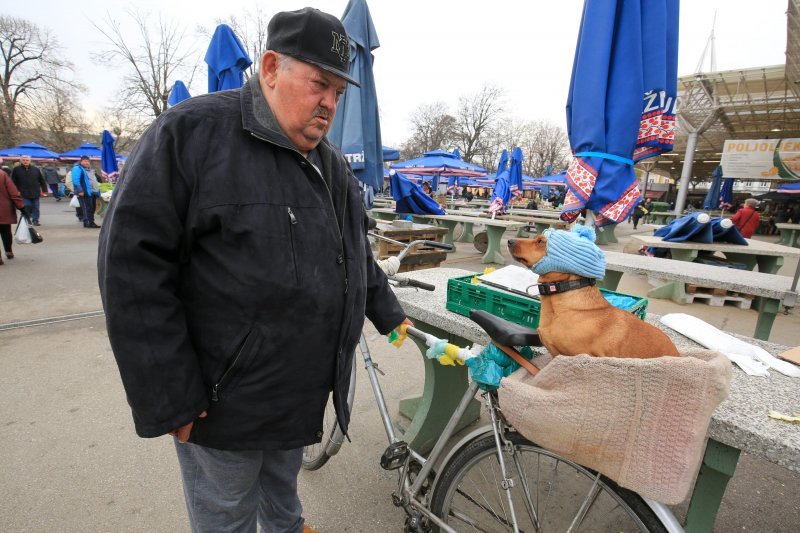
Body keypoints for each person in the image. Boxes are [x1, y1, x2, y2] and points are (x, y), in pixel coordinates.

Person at [98, 7, 409, 533]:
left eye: (339, 92)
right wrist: (169, 396)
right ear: (270, 68)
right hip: (221, 403)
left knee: (283, 503)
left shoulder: (330, 164)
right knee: (227, 518)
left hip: (299, 393)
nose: (330, 103)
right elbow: (131, 269)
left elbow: (354, 254)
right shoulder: (189, 134)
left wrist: (387, 312)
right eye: (319, 84)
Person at [10, 155, 47, 226]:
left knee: (36, 207)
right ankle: (27, 220)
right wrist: (15, 190)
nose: (25, 161)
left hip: (35, 192)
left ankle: (35, 221)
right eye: (23, 160)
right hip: (23, 193)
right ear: (20, 161)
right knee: (27, 206)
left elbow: (41, 180)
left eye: (27, 160)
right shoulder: (16, 169)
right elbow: (12, 181)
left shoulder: (35, 169)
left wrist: (44, 190)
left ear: (30, 161)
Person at [0, 162, 26, 265]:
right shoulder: (2, 174)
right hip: (3, 209)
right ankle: (8, 250)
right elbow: (13, 192)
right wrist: (21, 206)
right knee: (6, 231)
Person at [71, 156, 100, 228]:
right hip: (85, 192)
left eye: (88, 161)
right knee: (87, 208)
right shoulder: (77, 168)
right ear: (81, 162)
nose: (86, 163)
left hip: (92, 192)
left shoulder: (89, 170)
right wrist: (80, 190)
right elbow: (75, 180)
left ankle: (90, 222)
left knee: (92, 208)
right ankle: (89, 223)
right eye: (85, 161)